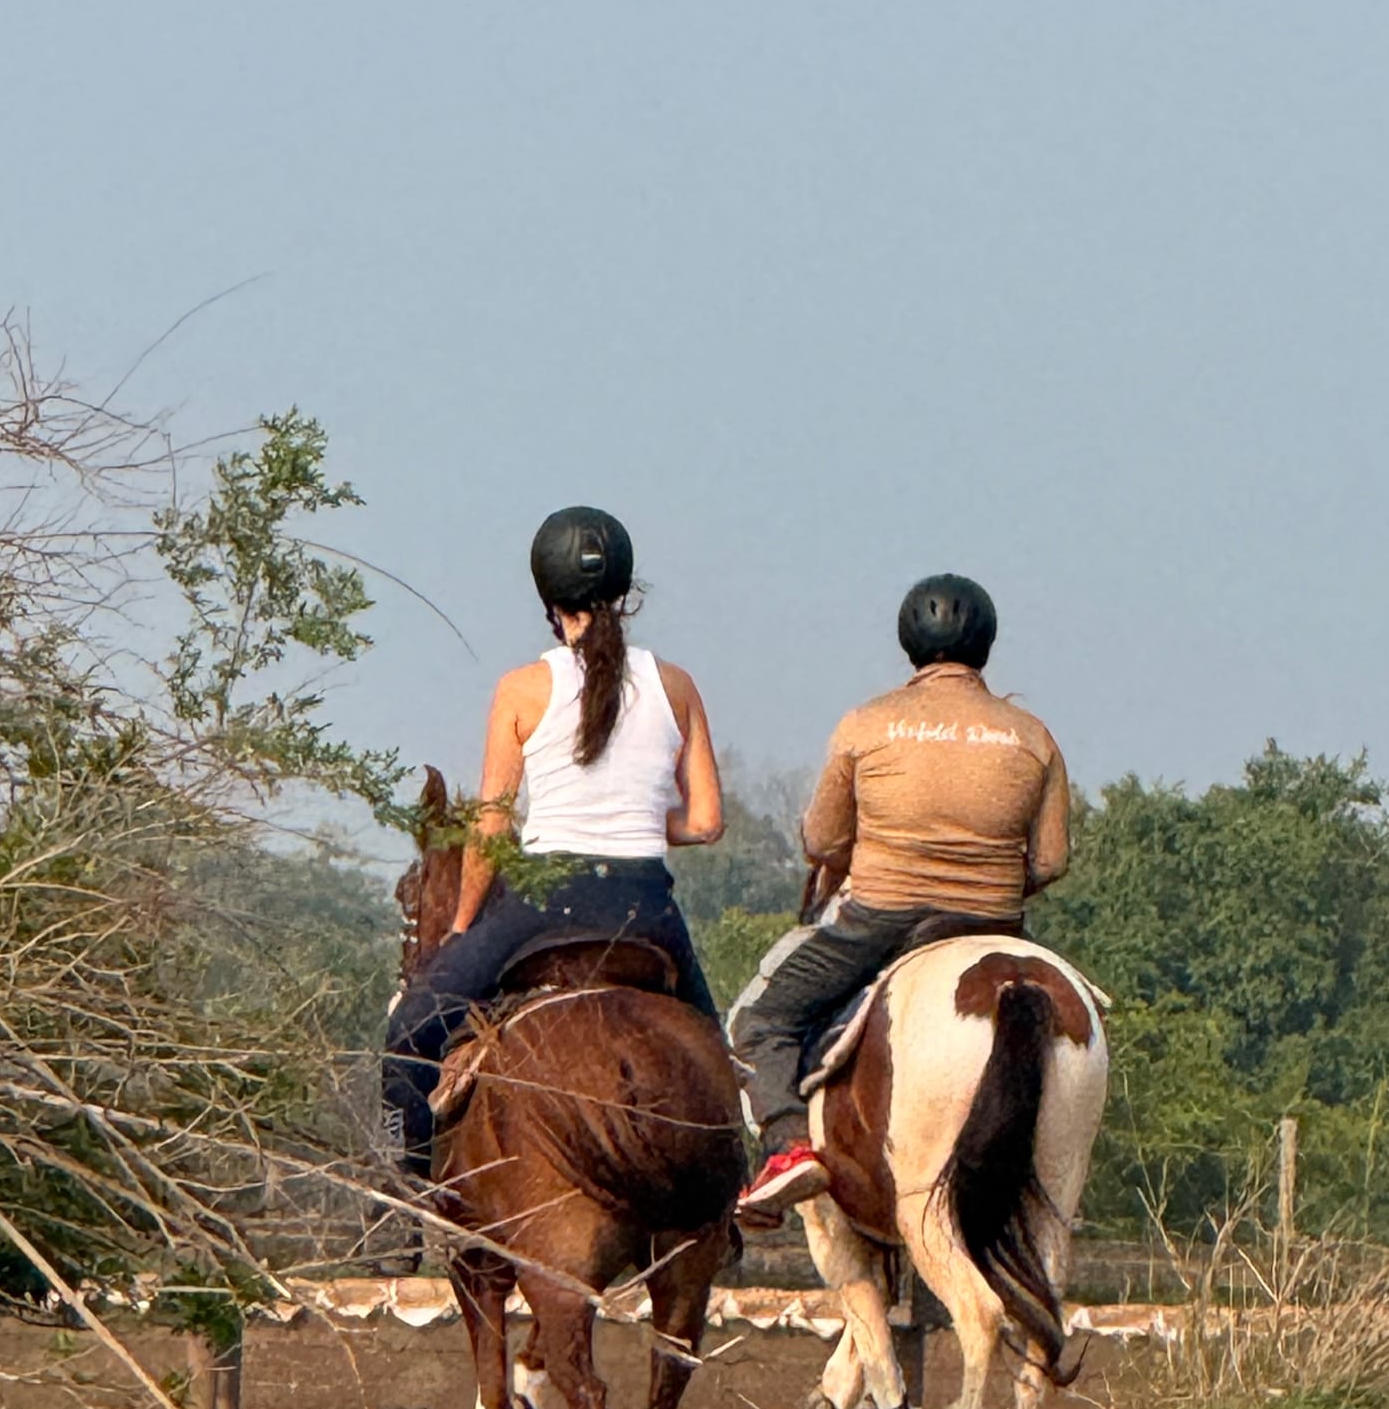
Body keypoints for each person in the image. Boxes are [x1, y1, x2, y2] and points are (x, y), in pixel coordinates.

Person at [380, 506, 724, 1198]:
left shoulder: (522, 688)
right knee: (718, 1059)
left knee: (408, 1031)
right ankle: (732, 1200)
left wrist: (459, 926)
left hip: (545, 903)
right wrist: (639, 822)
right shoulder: (676, 685)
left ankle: (405, 1195)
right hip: (645, 908)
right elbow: (709, 821)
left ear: (548, 600)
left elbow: (492, 830)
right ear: (624, 593)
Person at [728, 574, 1070, 1222]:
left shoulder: (868, 724)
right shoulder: (1033, 735)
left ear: (910, 645)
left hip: (879, 920)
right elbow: (1052, 858)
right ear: (986, 645)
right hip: (992, 923)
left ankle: (787, 1145)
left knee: (759, 1018)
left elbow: (823, 838)